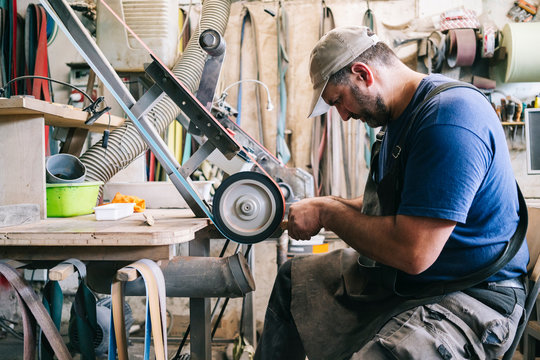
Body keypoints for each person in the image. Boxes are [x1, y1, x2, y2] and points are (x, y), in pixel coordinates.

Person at [254, 25, 529, 360]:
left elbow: (413, 252)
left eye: (339, 100)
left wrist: (329, 214)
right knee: (294, 283)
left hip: (472, 296)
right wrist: (326, 203)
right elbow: (405, 204)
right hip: (418, 281)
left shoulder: (448, 118)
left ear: (362, 73)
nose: (342, 115)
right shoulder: (400, 119)